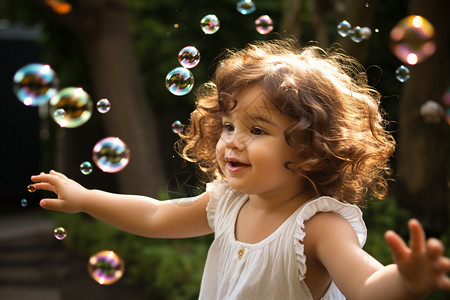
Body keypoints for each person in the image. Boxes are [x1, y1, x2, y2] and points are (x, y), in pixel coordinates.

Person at [31, 39, 450, 299]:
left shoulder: (318, 226)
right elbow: (157, 216)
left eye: (257, 129)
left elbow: (365, 287)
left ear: (310, 148)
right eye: (229, 125)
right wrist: (86, 198)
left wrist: (407, 283)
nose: (232, 139)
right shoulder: (228, 202)